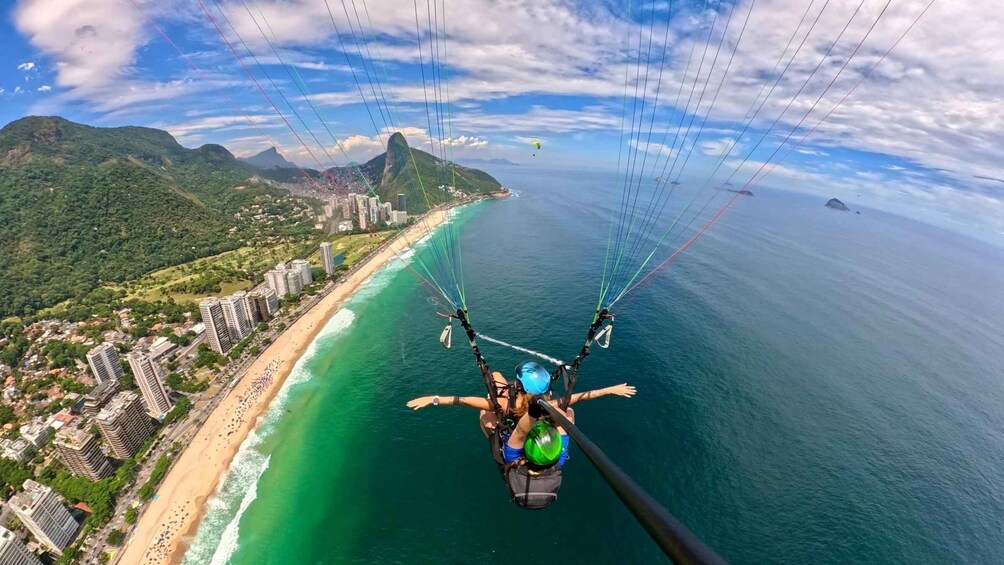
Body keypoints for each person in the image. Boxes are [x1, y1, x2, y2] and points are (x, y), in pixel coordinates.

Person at [407, 361, 636, 507]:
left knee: (487, 407)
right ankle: (546, 413)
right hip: (537, 424)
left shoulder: (515, 437)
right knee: (568, 411)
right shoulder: (554, 430)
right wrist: (610, 390)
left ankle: (496, 417)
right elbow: (577, 399)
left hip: (513, 427)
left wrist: (434, 399)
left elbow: (467, 402)